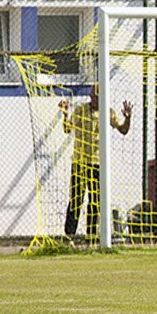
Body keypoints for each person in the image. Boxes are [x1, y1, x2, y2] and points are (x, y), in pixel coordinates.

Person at [59, 84, 132, 242]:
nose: (95, 100)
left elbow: (123, 130)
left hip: (98, 164)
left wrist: (128, 118)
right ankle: (69, 236)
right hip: (80, 162)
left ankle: (91, 236)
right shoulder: (80, 110)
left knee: (95, 201)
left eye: (98, 97)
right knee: (76, 199)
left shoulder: (108, 112)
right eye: (93, 97)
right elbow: (67, 129)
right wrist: (65, 115)